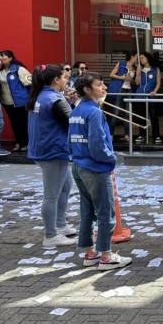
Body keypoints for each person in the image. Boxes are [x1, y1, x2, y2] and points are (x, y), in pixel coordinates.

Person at [69, 72, 132, 270]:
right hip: (95, 168)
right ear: (88, 90)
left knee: (87, 211)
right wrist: (111, 159)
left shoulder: (76, 110)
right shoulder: (94, 112)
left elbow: (70, 141)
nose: (104, 87)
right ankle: (106, 255)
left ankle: (90, 253)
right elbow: (97, 144)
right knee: (106, 213)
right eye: (99, 84)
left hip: (79, 166)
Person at [27, 64, 77, 247]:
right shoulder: (54, 99)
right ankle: (50, 235)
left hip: (45, 149)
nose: (67, 81)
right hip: (53, 151)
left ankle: (60, 225)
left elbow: (59, 116)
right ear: (56, 80)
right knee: (51, 195)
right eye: (65, 78)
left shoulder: (42, 95)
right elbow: (73, 121)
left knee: (65, 187)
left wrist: (68, 102)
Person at [0, 50, 31, 151]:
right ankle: (18, 142)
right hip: (7, 103)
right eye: (0, 59)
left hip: (22, 102)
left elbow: (30, 83)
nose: (2, 61)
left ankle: (26, 144)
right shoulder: (0, 72)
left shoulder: (19, 69)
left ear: (10, 58)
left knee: (24, 123)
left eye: (4, 59)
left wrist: (30, 99)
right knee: (14, 124)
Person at [134, 51, 162, 144]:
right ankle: (142, 135)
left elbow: (158, 83)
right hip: (140, 95)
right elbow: (137, 83)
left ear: (147, 58)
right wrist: (138, 72)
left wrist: (155, 91)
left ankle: (156, 135)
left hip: (151, 95)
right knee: (142, 117)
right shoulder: (140, 69)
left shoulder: (155, 69)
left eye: (142, 58)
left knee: (153, 116)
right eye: (140, 58)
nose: (141, 60)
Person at [107, 52, 137, 136]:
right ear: (132, 56)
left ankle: (127, 135)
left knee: (128, 113)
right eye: (137, 57)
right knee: (116, 112)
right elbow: (111, 74)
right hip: (119, 89)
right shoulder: (121, 63)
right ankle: (111, 134)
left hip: (129, 90)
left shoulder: (136, 68)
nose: (138, 59)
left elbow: (136, 82)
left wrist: (131, 80)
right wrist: (122, 78)